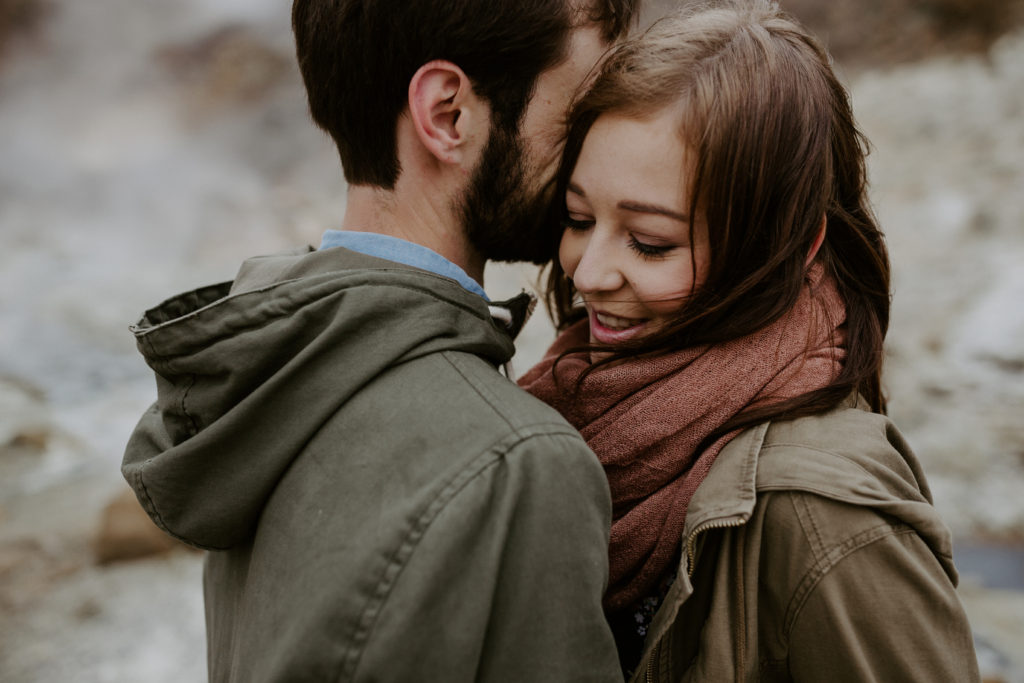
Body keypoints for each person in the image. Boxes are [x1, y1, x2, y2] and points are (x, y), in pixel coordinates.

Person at [121, 1, 639, 681]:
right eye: (576, 114)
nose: (593, 153)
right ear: (448, 113)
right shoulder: (520, 462)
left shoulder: (267, 370)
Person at [519, 2, 981, 680]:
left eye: (651, 242)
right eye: (579, 217)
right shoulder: (574, 403)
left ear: (790, 246)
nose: (587, 272)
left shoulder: (827, 519)